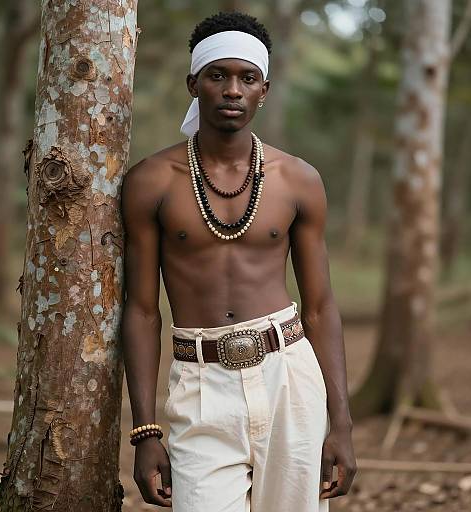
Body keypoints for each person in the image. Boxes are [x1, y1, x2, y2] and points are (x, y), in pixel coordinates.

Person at [120, 11, 356, 512]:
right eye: (217, 76)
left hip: (289, 376)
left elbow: (319, 306)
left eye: (247, 78)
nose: (232, 90)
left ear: (264, 90)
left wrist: (341, 424)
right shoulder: (151, 181)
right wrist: (145, 431)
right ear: (194, 84)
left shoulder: (299, 180)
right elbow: (141, 310)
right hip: (200, 382)